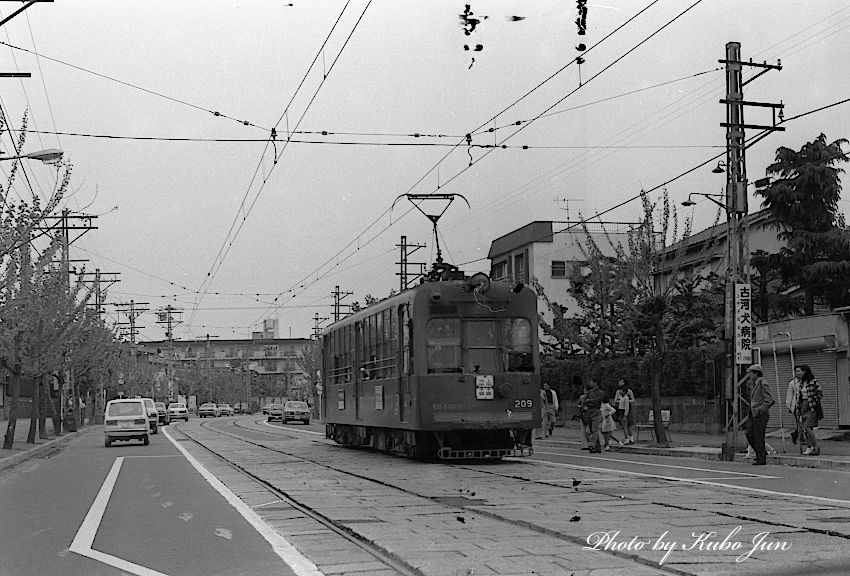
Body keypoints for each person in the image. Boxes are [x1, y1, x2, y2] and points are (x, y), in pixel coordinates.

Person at [745, 364, 775, 465]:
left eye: (751, 372)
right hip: (753, 413)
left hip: (760, 414)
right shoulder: (754, 383)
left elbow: (769, 400)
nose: (749, 375)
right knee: (750, 434)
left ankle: (761, 458)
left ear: (756, 373)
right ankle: (761, 453)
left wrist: (761, 410)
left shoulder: (763, 383)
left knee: (758, 436)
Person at [797, 364, 823, 456]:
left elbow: (819, 393)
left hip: (811, 406)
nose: (798, 374)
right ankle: (809, 447)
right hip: (803, 406)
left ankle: (816, 447)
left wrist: (814, 401)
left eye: (800, 371)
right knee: (806, 427)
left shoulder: (813, 382)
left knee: (808, 426)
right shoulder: (800, 383)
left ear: (805, 371)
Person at [581, 377, 605, 453]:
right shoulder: (589, 392)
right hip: (589, 411)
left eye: (591, 382)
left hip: (596, 411)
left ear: (595, 383)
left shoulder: (600, 392)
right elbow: (584, 400)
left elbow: (597, 401)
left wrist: (589, 401)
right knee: (591, 430)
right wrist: (588, 401)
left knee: (594, 429)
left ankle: (591, 445)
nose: (590, 383)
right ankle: (597, 447)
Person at [614, 378, 636, 444]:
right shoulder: (618, 392)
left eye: (621, 382)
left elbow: (633, 399)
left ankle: (630, 438)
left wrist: (626, 401)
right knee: (624, 425)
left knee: (628, 424)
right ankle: (627, 438)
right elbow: (615, 400)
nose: (620, 383)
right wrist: (620, 401)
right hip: (621, 409)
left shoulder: (629, 392)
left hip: (627, 409)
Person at [786, 366, 802, 445]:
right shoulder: (792, 383)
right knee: (799, 422)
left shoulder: (805, 382)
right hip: (796, 405)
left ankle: (796, 434)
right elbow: (789, 394)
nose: (798, 373)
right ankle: (800, 437)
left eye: (800, 371)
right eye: (797, 371)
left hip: (804, 404)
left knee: (804, 422)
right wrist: (788, 405)